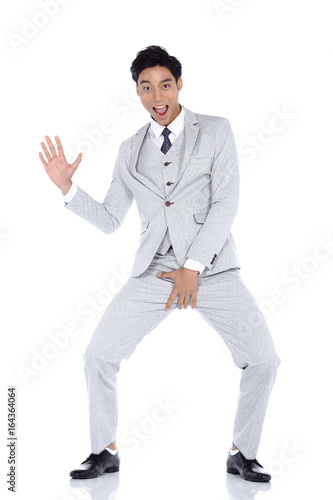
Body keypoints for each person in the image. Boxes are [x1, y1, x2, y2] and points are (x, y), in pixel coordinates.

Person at [39, 45, 280, 482]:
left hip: (213, 266)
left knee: (264, 359)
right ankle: (103, 450)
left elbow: (227, 202)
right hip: (153, 269)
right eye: (146, 87)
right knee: (98, 355)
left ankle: (242, 452)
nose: (157, 95)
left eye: (164, 84)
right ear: (137, 92)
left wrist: (193, 266)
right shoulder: (129, 150)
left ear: (179, 85)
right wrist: (68, 188)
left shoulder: (216, 130)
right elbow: (112, 219)